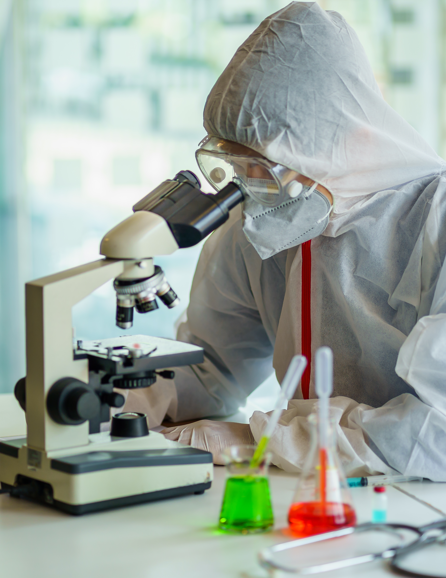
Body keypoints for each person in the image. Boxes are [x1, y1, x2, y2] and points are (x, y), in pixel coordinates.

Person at [121, 2, 446, 480]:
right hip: (303, 495)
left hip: (416, 506)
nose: (250, 189)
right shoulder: (265, 224)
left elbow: (434, 433)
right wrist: (142, 395)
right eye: (235, 165)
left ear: (351, 141)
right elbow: (214, 365)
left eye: (266, 169)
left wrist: (268, 440)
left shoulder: (435, 223)